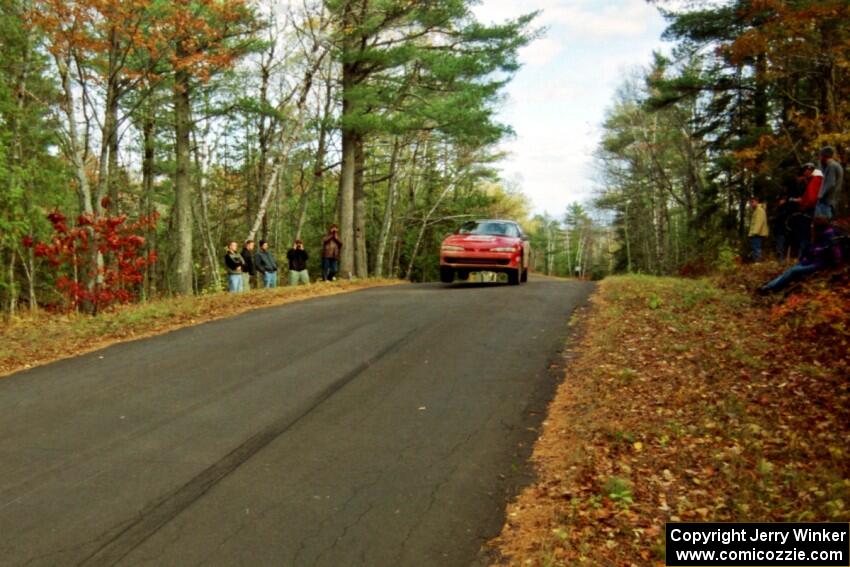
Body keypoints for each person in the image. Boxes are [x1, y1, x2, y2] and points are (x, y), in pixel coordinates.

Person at [758, 222, 844, 294]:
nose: (811, 227)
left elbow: (825, 252)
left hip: (819, 263)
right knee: (791, 269)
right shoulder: (821, 235)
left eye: (813, 225)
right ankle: (769, 285)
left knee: (794, 271)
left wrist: (812, 253)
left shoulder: (828, 236)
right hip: (812, 261)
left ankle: (771, 288)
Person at [789, 163, 822, 258]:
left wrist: (804, 205)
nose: (804, 175)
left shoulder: (815, 180)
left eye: (804, 172)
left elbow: (812, 199)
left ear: (809, 170)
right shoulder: (814, 180)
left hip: (810, 211)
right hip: (811, 209)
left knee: (806, 234)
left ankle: (804, 256)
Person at [816, 146, 844, 221]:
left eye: (820, 155)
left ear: (824, 156)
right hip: (829, 201)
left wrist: (819, 195)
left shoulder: (832, 166)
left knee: (823, 225)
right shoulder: (833, 165)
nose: (819, 158)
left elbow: (830, 183)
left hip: (826, 201)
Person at [748, 196, 769, 262]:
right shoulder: (756, 210)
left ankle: (758, 261)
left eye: (753, 202)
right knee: (755, 247)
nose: (751, 204)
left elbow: (759, 222)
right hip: (756, 233)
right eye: (751, 202)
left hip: (757, 233)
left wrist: (754, 232)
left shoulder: (759, 210)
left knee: (756, 247)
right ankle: (757, 261)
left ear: (757, 202)